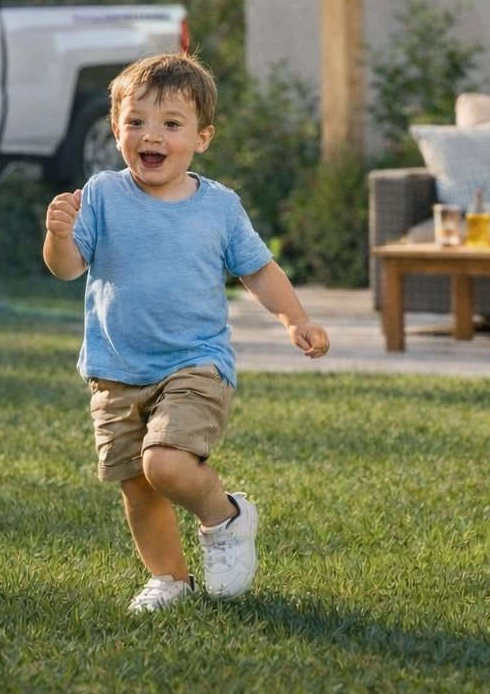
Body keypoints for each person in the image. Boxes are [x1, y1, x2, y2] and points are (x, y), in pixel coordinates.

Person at [43, 52, 330, 613]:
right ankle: (170, 579)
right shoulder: (100, 194)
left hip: (195, 364)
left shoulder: (219, 207)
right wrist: (58, 235)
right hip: (114, 370)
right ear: (117, 128)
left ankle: (224, 516)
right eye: (136, 122)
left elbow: (259, 269)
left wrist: (295, 318)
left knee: (166, 463)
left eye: (171, 125)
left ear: (202, 137)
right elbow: (68, 267)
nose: (152, 136)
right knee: (138, 484)